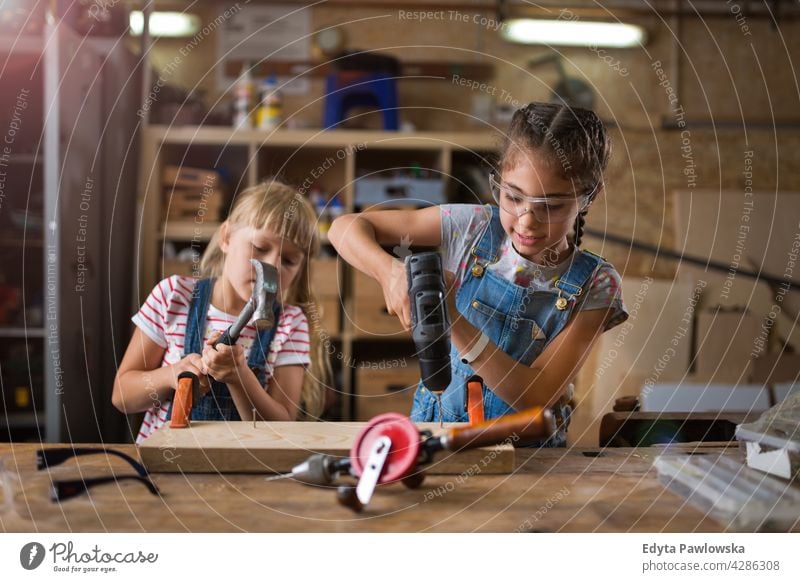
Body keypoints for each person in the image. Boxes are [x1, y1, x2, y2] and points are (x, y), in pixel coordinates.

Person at [329, 102, 628, 446]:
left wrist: (451, 317)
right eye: (513, 197)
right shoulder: (471, 228)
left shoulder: (596, 284)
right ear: (499, 177)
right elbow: (346, 227)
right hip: (436, 438)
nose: (527, 220)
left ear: (590, 195)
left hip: (529, 462)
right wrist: (390, 272)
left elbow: (536, 396)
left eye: (552, 206)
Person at [113, 179, 330, 443]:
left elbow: (280, 429)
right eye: (260, 248)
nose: (272, 265)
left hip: (242, 473)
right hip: (164, 467)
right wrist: (173, 375)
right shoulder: (173, 296)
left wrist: (239, 377)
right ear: (226, 237)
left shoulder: (290, 324)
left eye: (289, 260)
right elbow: (122, 396)